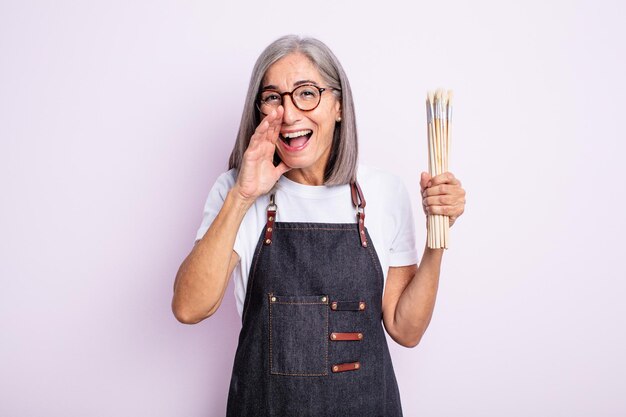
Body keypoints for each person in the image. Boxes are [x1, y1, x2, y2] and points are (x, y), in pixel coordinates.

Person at [172, 35, 466, 416]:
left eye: (307, 93)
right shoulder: (235, 190)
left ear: (339, 105)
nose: (290, 114)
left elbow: (405, 330)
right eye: (273, 97)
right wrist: (244, 195)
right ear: (259, 109)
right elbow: (188, 308)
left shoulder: (384, 192)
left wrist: (436, 238)